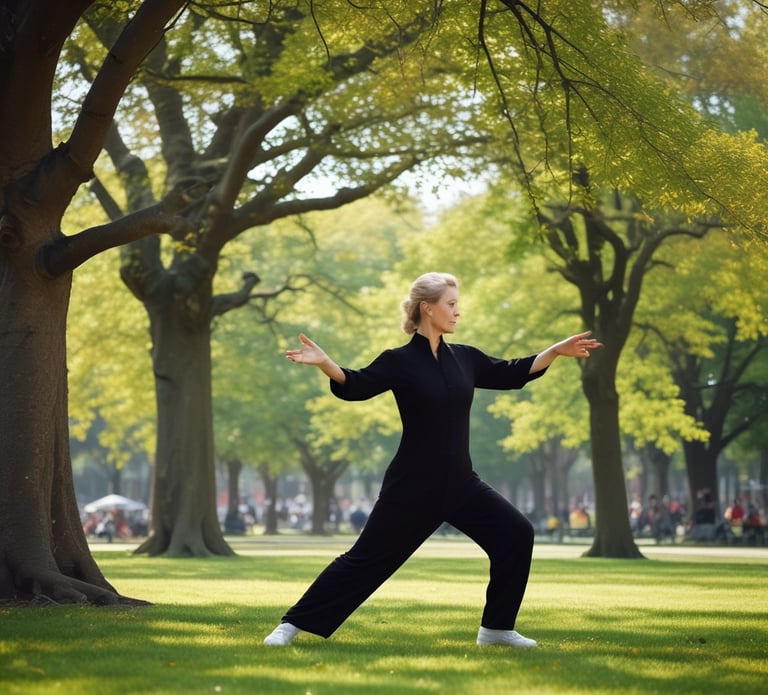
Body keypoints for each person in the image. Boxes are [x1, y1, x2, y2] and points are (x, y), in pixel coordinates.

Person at [264, 271, 601, 648]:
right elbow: (356, 385)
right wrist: (326, 363)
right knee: (365, 561)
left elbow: (511, 373)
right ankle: (290, 625)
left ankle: (496, 629)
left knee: (517, 534)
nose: (457, 311)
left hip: (461, 484)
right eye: (451, 304)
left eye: (457, 304)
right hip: (412, 486)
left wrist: (555, 351)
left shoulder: (465, 358)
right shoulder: (399, 361)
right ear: (427, 308)